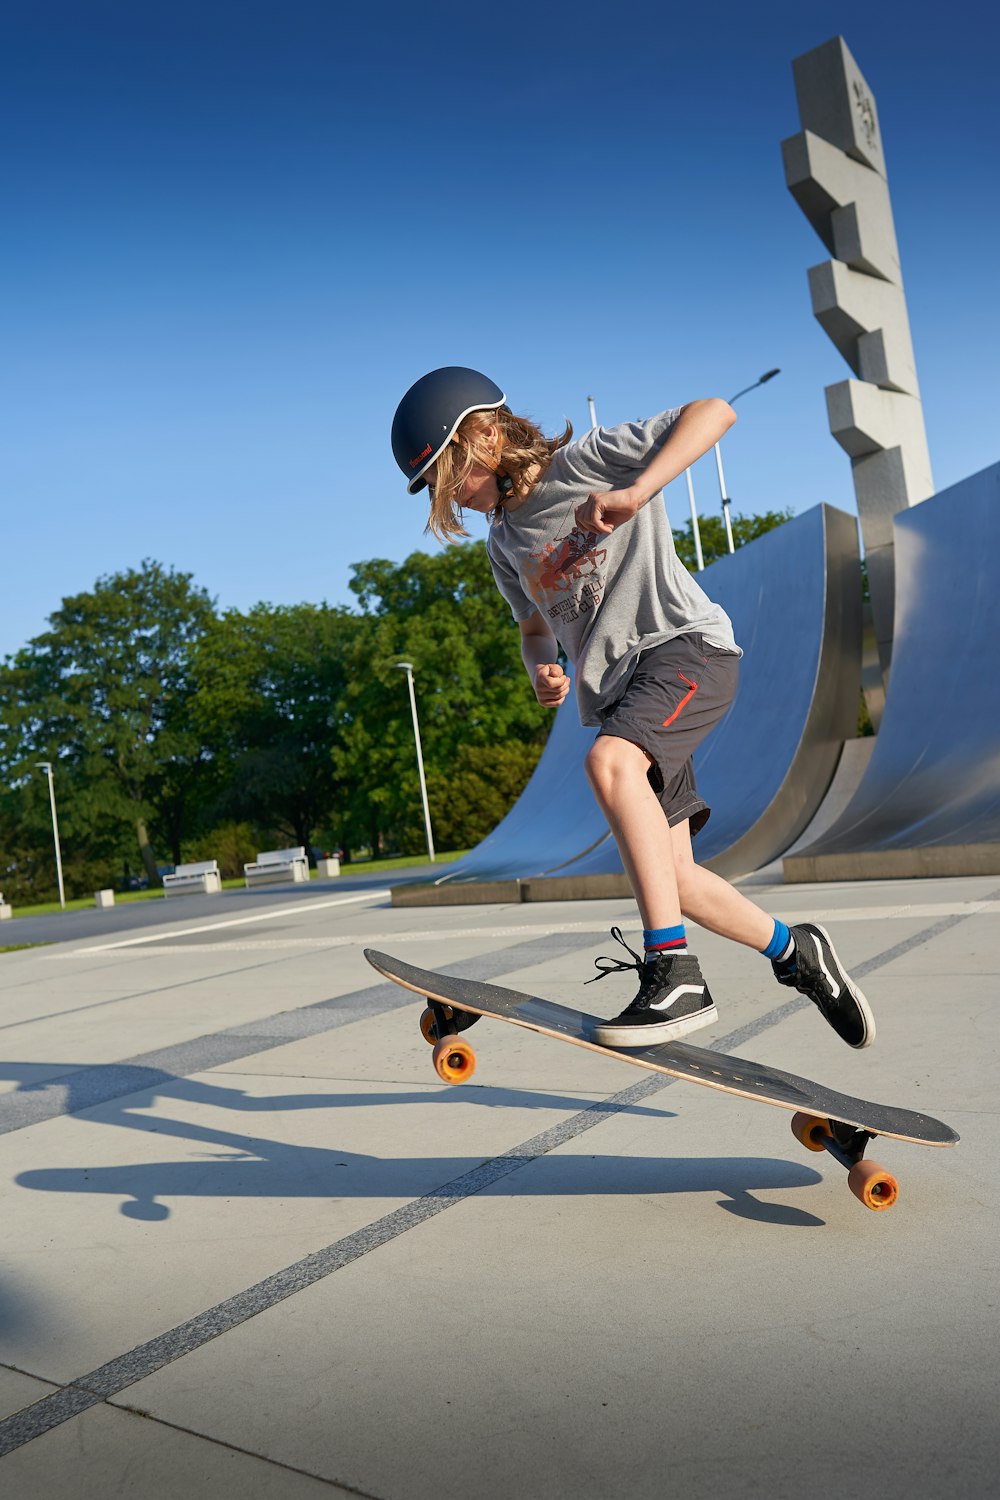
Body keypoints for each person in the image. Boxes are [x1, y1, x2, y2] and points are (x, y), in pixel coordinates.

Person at [391, 366, 875, 1050]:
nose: (459, 502)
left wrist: (635, 492)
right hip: (625, 695)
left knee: (608, 764)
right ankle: (797, 953)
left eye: (455, 481)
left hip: (685, 652)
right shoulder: (505, 544)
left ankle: (672, 972)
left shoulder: (584, 461)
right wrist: (542, 670)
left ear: (487, 435)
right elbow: (533, 629)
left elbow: (712, 413)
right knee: (674, 876)